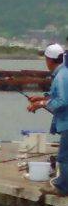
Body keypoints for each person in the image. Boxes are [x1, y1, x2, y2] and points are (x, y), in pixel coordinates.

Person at [27, 42, 68, 195]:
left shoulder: (61, 76)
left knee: (64, 157)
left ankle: (63, 188)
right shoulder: (63, 73)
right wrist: (40, 99)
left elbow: (63, 101)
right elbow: (58, 96)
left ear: (49, 60)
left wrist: (41, 104)